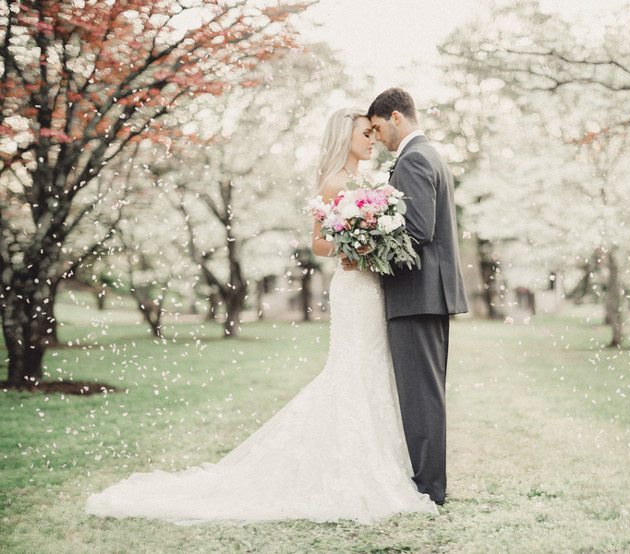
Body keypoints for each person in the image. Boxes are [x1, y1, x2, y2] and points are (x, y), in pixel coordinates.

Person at [83, 107, 438, 525]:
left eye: (373, 132)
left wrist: (375, 238)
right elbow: (319, 243)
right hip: (354, 287)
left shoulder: (371, 181)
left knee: (376, 371)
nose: (373, 139)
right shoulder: (334, 183)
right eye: (365, 132)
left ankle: (386, 464)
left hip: (374, 286)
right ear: (346, 136)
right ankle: (351, 471)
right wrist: (356, 243)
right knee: (355, 368)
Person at [367, 88, 469, 505]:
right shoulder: (430, 155)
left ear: (396, 117)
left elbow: (417, 230)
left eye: (377, 128)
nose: (377, 138)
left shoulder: (412, 159)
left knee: (421, 395)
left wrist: (367, 242)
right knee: (425, 392)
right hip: (429, 295)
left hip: (418, 295)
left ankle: (428, 488)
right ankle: (429, 482)